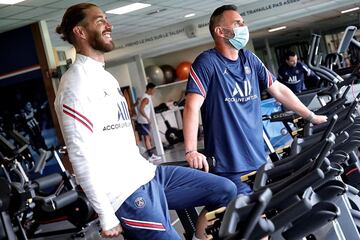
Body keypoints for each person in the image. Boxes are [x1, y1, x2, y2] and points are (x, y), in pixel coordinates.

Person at [54, 3, 237, 240]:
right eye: (100, 21)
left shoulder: (105, 77)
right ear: (80, 32)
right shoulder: (74, 85)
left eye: (107, 19)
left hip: (148, 175)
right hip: (125, 194)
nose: (109, 25)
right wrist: (106, 215)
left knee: (225, 190)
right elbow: (79, 155)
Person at [183, 4, 328, 196]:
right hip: (229, 163)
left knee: (260, 212)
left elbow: (279, 90)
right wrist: (191, 151)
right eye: (237, 23)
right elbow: (192, 106)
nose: (243, 27)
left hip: (258, 158)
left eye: (243, 22)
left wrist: (311, 116)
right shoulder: (207, 62)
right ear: (220, 31)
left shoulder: (249, 59)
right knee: (225, 214)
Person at [137, 82, 162, 161]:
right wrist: (147, 118)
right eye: (153, 90)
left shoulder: (144, 96)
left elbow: (137, 105)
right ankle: (151, 156)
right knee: (147, 138)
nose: (154, 92)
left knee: (148, 137)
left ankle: (151, 155)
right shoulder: (146, 98)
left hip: (142, 121)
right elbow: (141, 109)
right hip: (143, 121)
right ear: (149, 89)